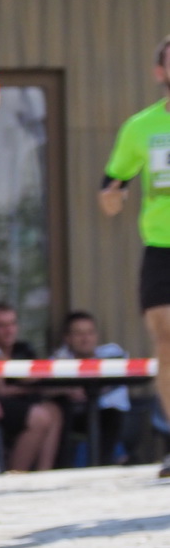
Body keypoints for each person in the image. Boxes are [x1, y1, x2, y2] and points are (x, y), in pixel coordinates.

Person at [97, 33, 170, 479]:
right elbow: (113, 181)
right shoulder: (141, 127)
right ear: (160, 73)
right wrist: (110, 199)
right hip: (161, 245)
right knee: (165, 338)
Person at [0, 301, 63, 471]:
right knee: (40, 417)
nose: (9, 330)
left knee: (54, 411)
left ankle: (44, 472)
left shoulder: (23, 348)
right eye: (2, 325)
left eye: (12, 324)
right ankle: (17, 473)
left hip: (23, 403)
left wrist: (21, 385)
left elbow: (34, 378)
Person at [52, 311, 131, 466]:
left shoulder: (112, 353)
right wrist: (66, 390)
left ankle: (105, 466)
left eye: (90, 332)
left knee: (111, 416)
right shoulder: (60, 360)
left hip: (117, 416)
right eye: (79, 333)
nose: (85, 338)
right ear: (67, 338)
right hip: (76, 416)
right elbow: (40, 387)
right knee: (61, 409)